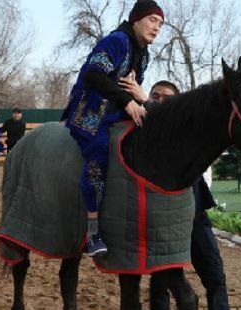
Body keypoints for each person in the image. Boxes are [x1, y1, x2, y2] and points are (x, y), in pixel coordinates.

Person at [61, 0, 164, 257]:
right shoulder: (117, 40)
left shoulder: (144, 55)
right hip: (90, 112)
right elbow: (94, 76)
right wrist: (128, 100)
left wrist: (138, 98)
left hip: (117, 111)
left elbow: (130, 88)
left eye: (161, 24)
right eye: (152, 20)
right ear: (136, 19)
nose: (157, 28)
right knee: (98, 154)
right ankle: (93, 232)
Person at [145, 80, 234, 310]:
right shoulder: (145, 128)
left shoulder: (188, 127)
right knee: (161, 280)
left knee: (215, 277)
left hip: (196, 217)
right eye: (154, 96)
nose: (159, 102)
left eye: (166, 98)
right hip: (165, 220)